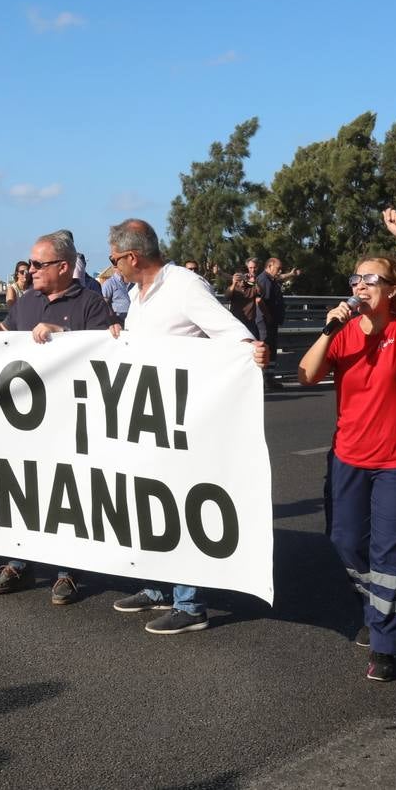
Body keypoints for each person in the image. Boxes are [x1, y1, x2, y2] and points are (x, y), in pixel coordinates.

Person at [104, 218, 268, 635]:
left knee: (175, 507)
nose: (112, 268)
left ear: (131, 256)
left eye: (113, 259)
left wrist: (251, 351)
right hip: (147, 419)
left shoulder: (183, 285)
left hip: (180, 421)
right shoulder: (140, 293)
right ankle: (158, 588)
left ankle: (190, 603)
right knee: (149, 504)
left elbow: (230, 334)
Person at [296, 208, 396, 683]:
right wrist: (329, 328)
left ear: (392, 290)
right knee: (345, 540)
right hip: (348, 456)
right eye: (356, 278)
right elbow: (307, 374)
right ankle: (377, 610)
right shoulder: (344, 332)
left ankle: (386, 643)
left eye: (372, 279)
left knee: (392, 551)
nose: (361, 285)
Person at [0, 230, 115, 605]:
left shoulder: (91, 302)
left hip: (71, 420)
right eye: (31, 263)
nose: (31, 270)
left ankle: (67, 571)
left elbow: (111, 352)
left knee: (66, 493)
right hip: (26, 418)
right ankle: (17, 563)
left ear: (64, 267)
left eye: (39, 264)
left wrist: (64, 334)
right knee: (22, 489)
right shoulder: (28, 301)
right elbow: (6, 332)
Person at [256, 257, 298, 387]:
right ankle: (265, 379)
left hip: (271, 321)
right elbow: (259, 300)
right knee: (267, 349)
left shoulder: (271, 279)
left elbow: (280, 278)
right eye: (278, 268)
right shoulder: (264, 280)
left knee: (272, 349)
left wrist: (291, 274)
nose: (280, 271)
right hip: (265, 322)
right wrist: (268, 316)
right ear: (269, 266)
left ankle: (269, 378)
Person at [228, 262, 264, 342]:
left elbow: (261, 292)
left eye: (243, 277)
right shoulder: (234, 288)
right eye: (239, 277)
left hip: (250, 323)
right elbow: (227, 295)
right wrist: (234, 283)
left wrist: (254, 281)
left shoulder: (251, 286)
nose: (241, 280)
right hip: (236, 323)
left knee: (253, 345)